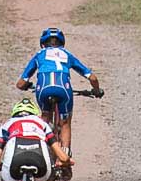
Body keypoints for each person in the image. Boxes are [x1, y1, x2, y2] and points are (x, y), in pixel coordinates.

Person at [16, 27, 100, 162]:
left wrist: (27, 85)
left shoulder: (39, 55)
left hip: (43, 89)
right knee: (65, 123)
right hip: (63, 89)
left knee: (45, 118)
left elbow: (20, 84)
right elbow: (93, 78)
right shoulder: (67, 55)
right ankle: (64, 159)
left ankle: (41, 150)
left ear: (42, 43)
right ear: (62, 43)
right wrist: (96, 90)